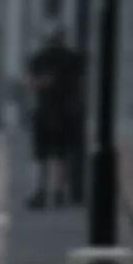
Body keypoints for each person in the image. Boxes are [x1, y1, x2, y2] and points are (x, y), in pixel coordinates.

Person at [24, 25, 84, 209]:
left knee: (41, 155)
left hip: (45, 111)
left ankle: (41, 191)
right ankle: (58, 192)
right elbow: (80, 84)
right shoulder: (72, 58)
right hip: (65, 112)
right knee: (61, 155)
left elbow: (29, 83)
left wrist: (41, 84)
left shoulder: (39, 58)